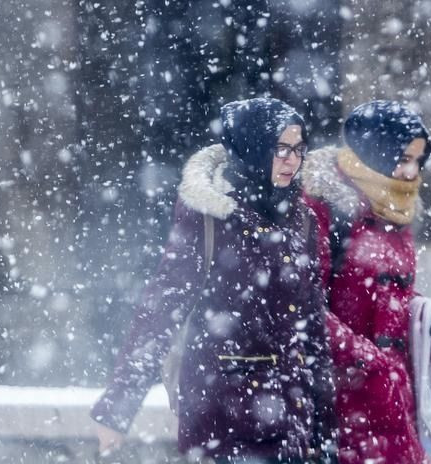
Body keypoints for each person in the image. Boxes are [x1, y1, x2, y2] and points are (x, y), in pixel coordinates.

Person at [91, 97, 336, 463]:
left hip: (290, 422)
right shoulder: (208, 217)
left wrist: (324, 432)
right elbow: (162, 309)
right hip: (224, 419)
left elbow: (313, 328)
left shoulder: (301, 220)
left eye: (299, 149)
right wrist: (116, 409)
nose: (292, 160)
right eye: (280, 148)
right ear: (253, 147)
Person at [300, 100, 431, 464]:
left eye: (418, 161)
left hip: (390, 402)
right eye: (403, 158)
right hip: (343, 405)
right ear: (375, 152)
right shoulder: (325, 208)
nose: (411, 171)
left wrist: (425, 309)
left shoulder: (393, 208)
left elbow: (379, 291)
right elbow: (304, 306)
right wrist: (368, 360)